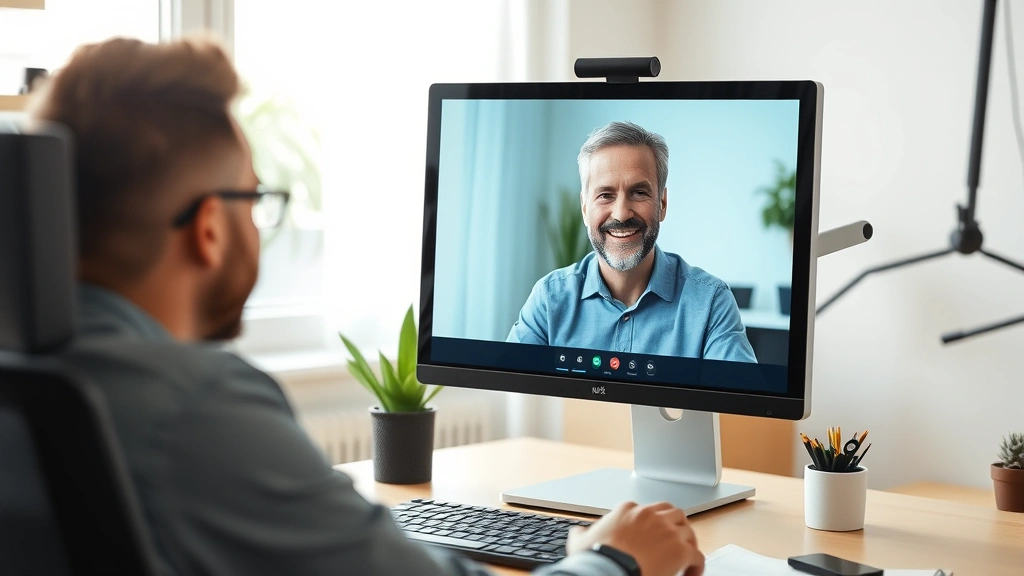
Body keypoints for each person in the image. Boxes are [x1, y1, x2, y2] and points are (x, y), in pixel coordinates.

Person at [30, 37, 706, 576]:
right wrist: (614, 558)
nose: (622, 212)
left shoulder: (33, 377)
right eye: (255, 199)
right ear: (209, 228)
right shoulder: (196, 406)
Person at [507, 121, 756, 363]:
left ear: (662, 203)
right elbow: (509, 394)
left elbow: (740, 403)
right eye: (605, 195)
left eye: (639, 193)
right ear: (584, 208)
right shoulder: (549, 299)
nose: (621, 213)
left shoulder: (711, 302)